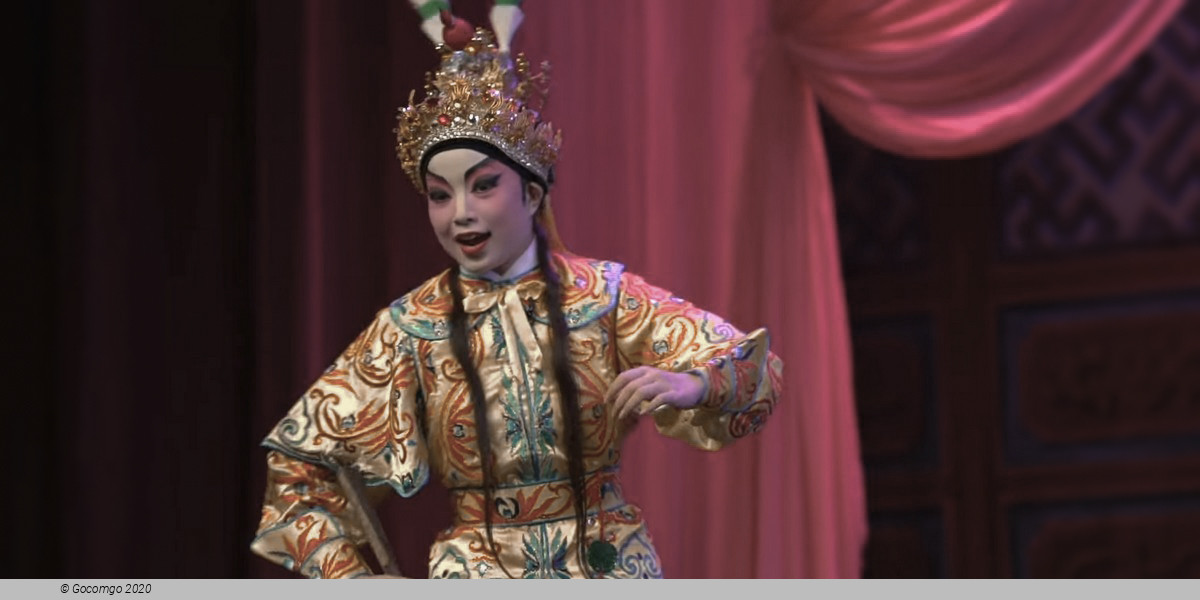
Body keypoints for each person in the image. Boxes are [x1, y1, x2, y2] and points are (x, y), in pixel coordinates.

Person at [249, 3, 782, 579]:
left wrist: (693, 383)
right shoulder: (411, 328)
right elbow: (298, 473)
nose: (461, 213)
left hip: (608, 562)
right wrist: (354, 581)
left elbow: (751, 366)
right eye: (440, 195)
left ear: (531, 194)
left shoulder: (602, 297)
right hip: (476, 570)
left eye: (483, 186)